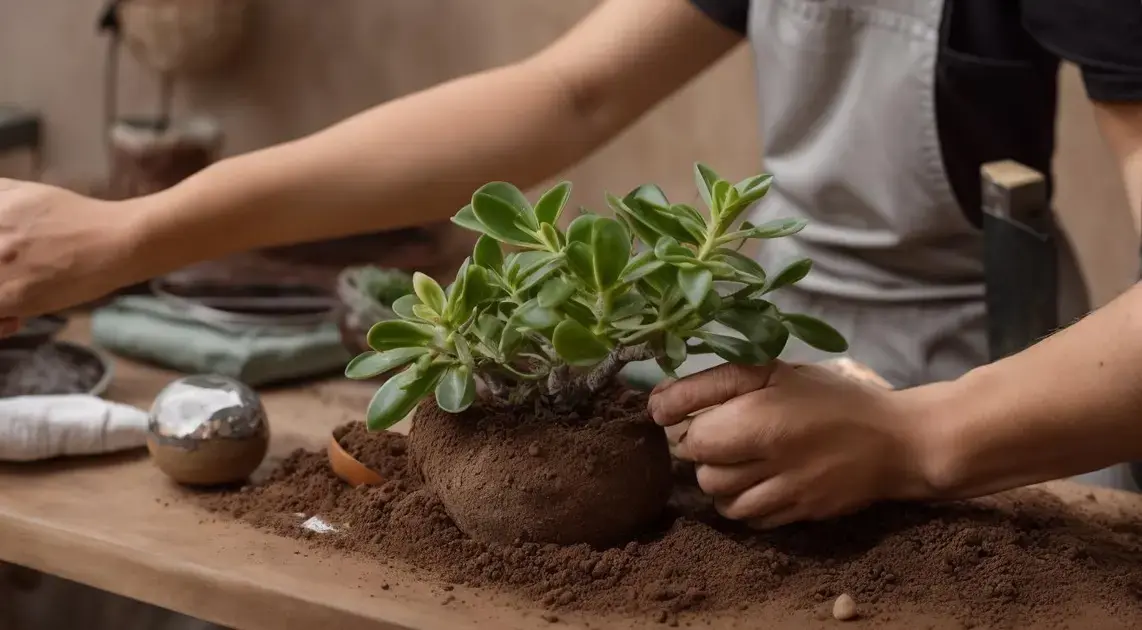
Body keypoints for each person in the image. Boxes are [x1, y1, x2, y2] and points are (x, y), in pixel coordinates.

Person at [0, 2, 1139, 500]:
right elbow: (567, 92)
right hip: (782, 351)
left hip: (1003, 389)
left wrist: (916, 434)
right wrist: (131, 233)